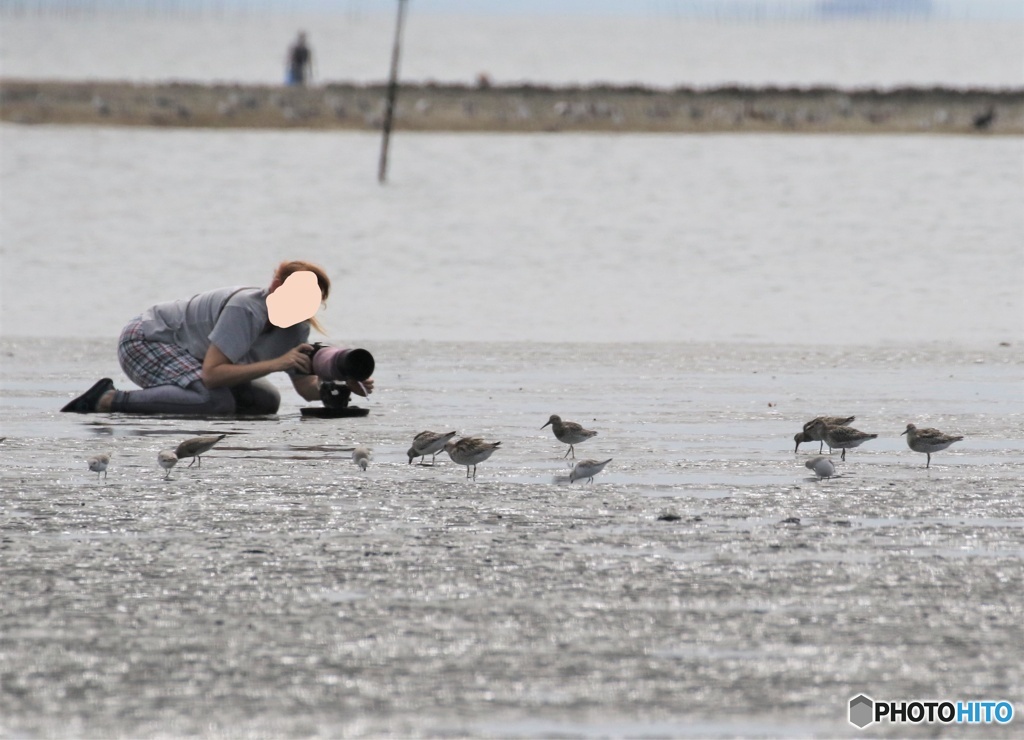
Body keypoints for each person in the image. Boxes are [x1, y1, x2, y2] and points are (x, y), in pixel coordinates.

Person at [61, 260, 373, 416]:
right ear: (276, 286)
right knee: (215, 400)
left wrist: (340, 387)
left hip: (194, 356)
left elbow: (305, 388)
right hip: (147, 339)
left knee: (265, 401)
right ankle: (108, 399)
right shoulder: (245, 308)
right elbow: (212, 376)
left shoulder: (296, 328)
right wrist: (277, 363)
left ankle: (176, 398)